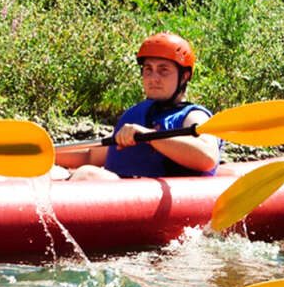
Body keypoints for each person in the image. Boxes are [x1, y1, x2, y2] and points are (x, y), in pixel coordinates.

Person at [56, 32, 221, 180]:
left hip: (159, 203)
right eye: (148, 69)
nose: (153, 78)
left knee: (88, 175)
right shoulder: (138, 113)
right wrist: (45, 153)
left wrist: (149, 136)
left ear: (184, 76)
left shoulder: (193, 116)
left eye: (163, 70)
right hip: (123, 194)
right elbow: (91, 157)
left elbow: (207, 157)